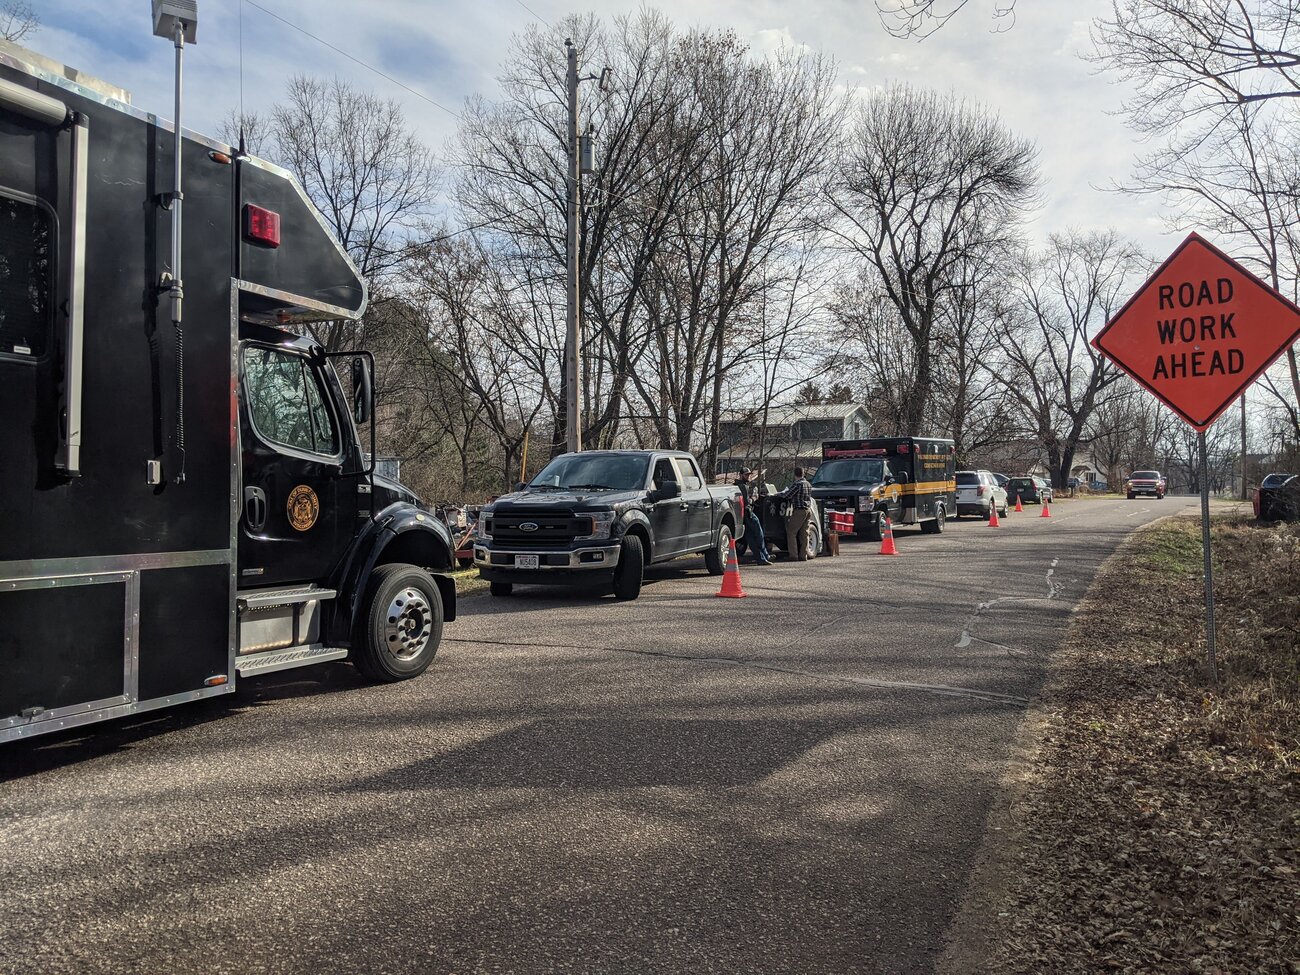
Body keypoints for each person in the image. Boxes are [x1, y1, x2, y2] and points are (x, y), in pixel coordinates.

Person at [735, 467, 771, 566]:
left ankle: (761, 558)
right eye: (746, 475)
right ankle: (765, 555)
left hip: (742, 516)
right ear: (741, 475)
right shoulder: (743, 486)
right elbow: (747, 502)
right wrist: (754, 497)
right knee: (759, 535)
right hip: (749, 514)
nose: (748, 476)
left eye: (749, 475)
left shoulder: (736, 486)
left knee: (751, 538)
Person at [780, 466, 813, 561]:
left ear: (795, 474)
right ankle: (803, 555)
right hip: (808, 510)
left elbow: (787, 495)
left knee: (791, 532)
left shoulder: (797, 484)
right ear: (803, 474)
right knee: (804, 534)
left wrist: (778, 494)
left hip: (799, 510)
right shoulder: (808, 484)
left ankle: (793, 555)